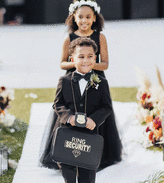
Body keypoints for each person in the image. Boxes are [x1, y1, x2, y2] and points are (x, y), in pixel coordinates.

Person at [40, 0, 122, 170]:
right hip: (73, 78)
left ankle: (97, 154)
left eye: (88, 17)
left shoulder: (100, 37)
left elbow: (105, 63)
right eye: (80, 17)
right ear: (74, 18)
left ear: (94, 18)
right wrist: (79, 65)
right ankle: (69, 153)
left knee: (96, 112)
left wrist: (90, 66)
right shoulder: (69, 38)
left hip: (95, 80)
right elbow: (62, 63)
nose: (84, 21)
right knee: (72, 113)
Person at [54, 37, 113, 183]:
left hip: (89, 135)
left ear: (95, 58)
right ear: (72, 59)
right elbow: (58, 104)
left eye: (90, 56)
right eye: (81, 57)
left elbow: (106, 106)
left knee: (87, 174)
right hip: (68, 132)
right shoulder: (64, 81)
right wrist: (68, 117)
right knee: (66, 165)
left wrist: (94, 120)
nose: (85, 60)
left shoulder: (101, 83)